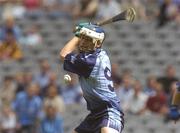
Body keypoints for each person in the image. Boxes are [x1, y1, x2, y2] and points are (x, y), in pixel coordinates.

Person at [59, 23, 124, 133]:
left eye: (88, 40)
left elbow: (63, 54)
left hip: (110, 111)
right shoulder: (101, 53)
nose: (83, 42)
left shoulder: (88, 61)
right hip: (95, 114)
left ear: (98, 43)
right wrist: (88, 32)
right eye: (83, 39)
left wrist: (78, 35)